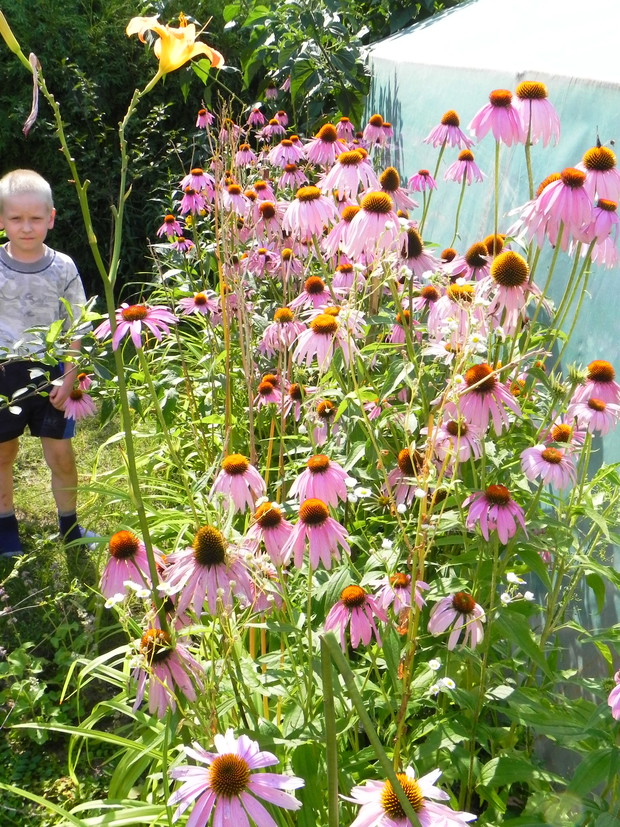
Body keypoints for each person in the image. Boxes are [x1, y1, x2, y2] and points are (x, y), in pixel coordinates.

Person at [0, 169, 91, 557]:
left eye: (35, 218)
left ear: (51, 218)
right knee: (3, 453)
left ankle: (69, 524)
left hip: (52, 374)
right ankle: (5, 526)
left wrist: (68, 378)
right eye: (16, 219)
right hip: (4, 373)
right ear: (1, 220)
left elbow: (78, 325)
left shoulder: (63, 267)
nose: (26, 227)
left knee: (61, 456)